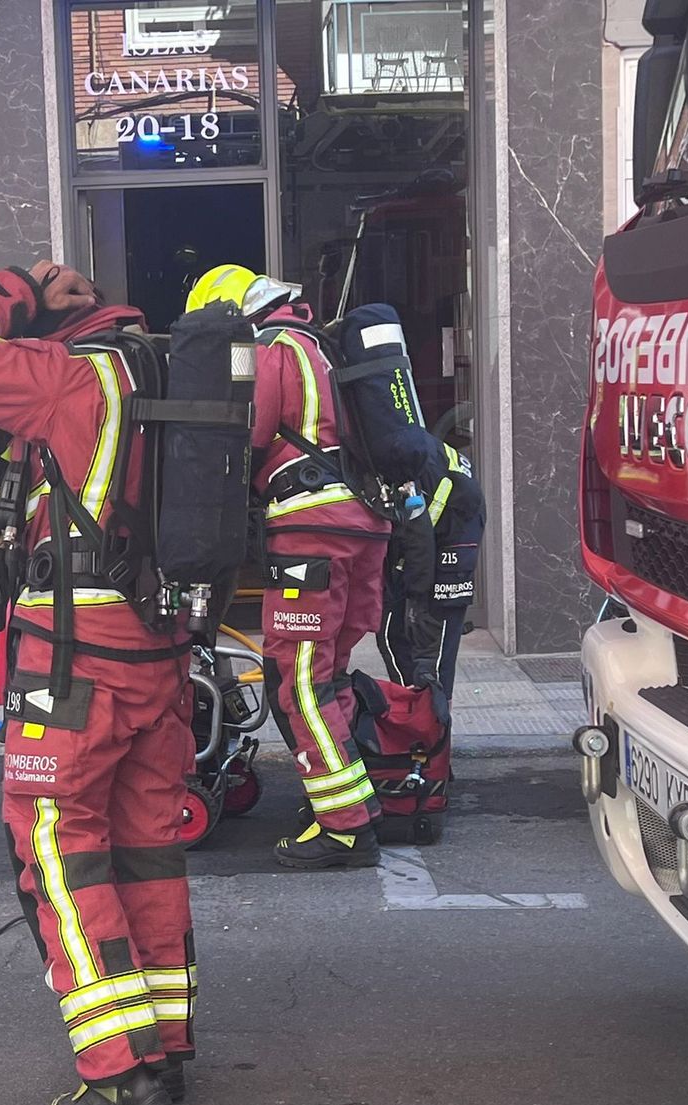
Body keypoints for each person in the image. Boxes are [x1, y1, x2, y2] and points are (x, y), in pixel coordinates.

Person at [0, 262, 197, 1105]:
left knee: (56, 846)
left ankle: (115, 1073)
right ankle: (165, 1044)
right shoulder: (169, 372)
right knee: (148, 847)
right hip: (160, 649)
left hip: (75, 658)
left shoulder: (69, 374)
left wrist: (13, 289)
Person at [183, 265, 391, 870]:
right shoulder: (319, 343)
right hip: (361, 523)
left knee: (299, 681)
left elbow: (244, 431)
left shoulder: (262, 347)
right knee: (329, 674)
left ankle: (346, 829)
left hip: (311, 527)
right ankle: (352, 801)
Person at [379, 436, 486, 725]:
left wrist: (414, 594)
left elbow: (419, 541)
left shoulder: (399, 460)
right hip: (452, 524)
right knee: (411, 640)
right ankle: (423, 721)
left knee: (428, 652)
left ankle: (429, 729)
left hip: (450, 540)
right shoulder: (404, 440)